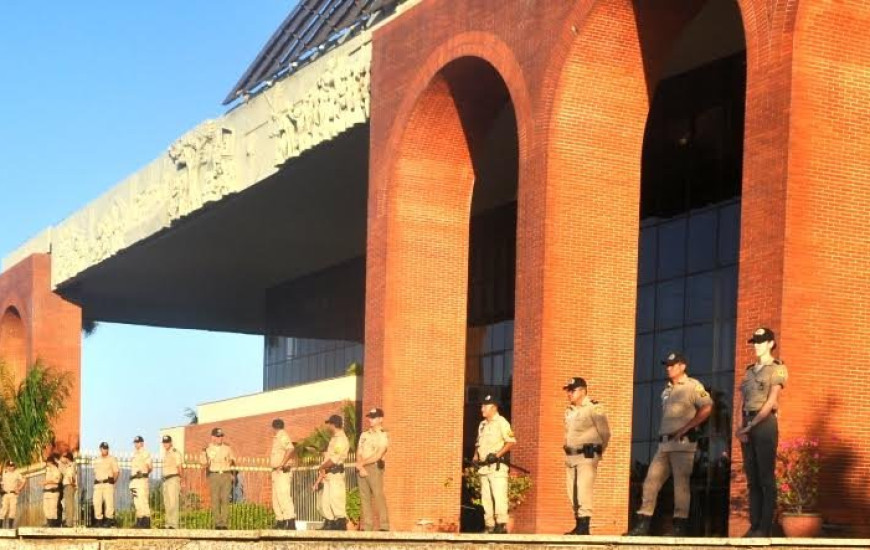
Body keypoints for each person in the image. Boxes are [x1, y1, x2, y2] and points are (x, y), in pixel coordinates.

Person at [627, 352, 713, 536]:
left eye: (673, 365)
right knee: (650, 481)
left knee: (680, 486)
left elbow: (707, 407)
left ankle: (679, 526)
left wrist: (686, 428)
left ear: (683, 367)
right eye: (667, 365)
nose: (669, 368)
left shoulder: (692, 386)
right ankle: (643, 523)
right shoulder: (666, 390)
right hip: (664, 445)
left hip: (682, 444)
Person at [737, 327, 787, 537]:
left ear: (770, 344)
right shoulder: (749, 370)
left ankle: (765, 526)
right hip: (747, 423)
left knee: (766, 477)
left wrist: (752, 424)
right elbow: (741, 401)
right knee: (752, 478)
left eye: (761, 341)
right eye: (755, 342)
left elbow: (771, 401)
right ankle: (754, 524)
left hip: (764, 424)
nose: (756, 345)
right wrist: (739, 428)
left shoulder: (778, 368)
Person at [562, 377, 611, 535]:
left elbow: (605, 433)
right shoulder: (569, 411)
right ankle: (578, 523)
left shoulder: (594, 408)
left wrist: (597, 452)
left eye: (573, 390)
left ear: (583, 391)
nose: (569, 393)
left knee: (583, 490)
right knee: (572, 493)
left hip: (587, 456)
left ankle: (585, 525)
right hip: (571, 456)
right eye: (568, 390)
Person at [473, 394, 516, 534]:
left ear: (494, 407)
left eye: (485, 406)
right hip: (484, 467)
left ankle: (501, 524)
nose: (482, 408)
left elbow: (511, 442)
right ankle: (489, 525)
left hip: (497, 466)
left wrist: (496, 455)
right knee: (486, 498)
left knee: (499, 496)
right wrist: (475, 457)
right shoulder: (482, 424)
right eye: (482, 406)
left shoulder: (502, 422)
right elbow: (478, 443)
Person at [356, 407, 390, 531]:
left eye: (373, 417)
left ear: (381, 419)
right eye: (370, 417)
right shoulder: (364, 434)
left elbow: (379, 454)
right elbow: (359, 450)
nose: (370, 419)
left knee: (378, 495)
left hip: (374, 467)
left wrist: (362, 464)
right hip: (361, 467)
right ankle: (367, 526)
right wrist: (360, 465)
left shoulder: (383, 435)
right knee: (364, 497)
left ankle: (384, 526)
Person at [312, 414, 349, 530]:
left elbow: (334, 459)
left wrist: (321, 466)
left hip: (335, 473)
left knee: (336, 499)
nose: (328, 427)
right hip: (328, 474)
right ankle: (329, 522)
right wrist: (323, 470)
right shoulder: (334, 438)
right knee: (326, 501)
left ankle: (340, 523)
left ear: (333, 424)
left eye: (329, 424)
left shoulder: (341, 439)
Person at [202, 427, 235, 530]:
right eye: (218, 436)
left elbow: (233, 461)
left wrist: (232, 473)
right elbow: (203, 464)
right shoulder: (207, 449)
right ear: (213, 437)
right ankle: (217, 523)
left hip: (226, 474)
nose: (220, 438)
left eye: (221, 436)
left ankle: (224, 523)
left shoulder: (227, 448)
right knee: (215, 500)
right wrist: (205, 458)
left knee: (225, 499)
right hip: (214, 474)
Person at [269, 418, 296, 530]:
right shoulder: (277, 438)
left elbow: (290, 448)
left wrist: (282, 464)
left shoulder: (282, 436)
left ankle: (290, 521)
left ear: (274, 427)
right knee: (276, 498)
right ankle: (280, 520)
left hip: (282, 471)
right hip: (276, 471)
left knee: (284, 496)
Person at [92, 442, 120, 528]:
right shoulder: (96, 459)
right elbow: (95, 472)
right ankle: (98, 520)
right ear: (100, 449)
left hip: (108, 483)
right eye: (103, 448)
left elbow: (116, 472)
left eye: (106, 448)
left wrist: (113, 481)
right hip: (98, 484)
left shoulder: (112, 459)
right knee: (96, 502)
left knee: (109, 502)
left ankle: (109, 520)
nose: (105, 450)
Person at [161, 435, 184, 530]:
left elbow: (180, 467)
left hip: (173, 478)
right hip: (166, 480)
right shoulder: (166, 454)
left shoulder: (175, 452)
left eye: (167, 442)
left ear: (171, 442)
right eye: (164, 442)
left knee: (173, 502)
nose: (165, 444)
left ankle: (173, 524)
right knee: (167, 503)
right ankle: (168, 523)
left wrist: (182, 480)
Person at [130, 436, 152, 528]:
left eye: (138, 442)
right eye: (135, 442)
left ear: (142, 443)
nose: (136, 444)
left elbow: (149, 467)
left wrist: (144, 474)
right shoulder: (134, 454)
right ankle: (139, 520)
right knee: (137, 501)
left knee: (143, 500)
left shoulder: (145, 453)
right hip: (134, 480)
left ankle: (146, 521)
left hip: (141, 479)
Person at [0, 460, 25, 529]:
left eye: (12, 466)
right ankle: (0, 527)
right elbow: (2, 483)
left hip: (13, 494)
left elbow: (23, 480)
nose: (11, 468)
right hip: (5, 494)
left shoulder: (17, 473)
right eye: (10, 466)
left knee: (12, 510)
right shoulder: (4, 472)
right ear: (7, 466)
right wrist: (1, 489)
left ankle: (10, 527)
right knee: (3, 510)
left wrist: (19, 489)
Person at [43, 454, 62, 527]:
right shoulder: (47, 470)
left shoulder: (55, 469)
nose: (47, 464)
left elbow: (57, 480)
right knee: (46, 509)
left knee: (52, 509)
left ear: (50, 462)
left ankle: (52, 524)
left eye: (48, 462)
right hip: (47, 491)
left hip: (53, 491)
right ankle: (48, 523)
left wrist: (48, 482)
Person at [59, 452, 77, 527]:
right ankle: (68, 521)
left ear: (68, 458)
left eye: (65, 457)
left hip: (69, 485)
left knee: (69, 505)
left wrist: (72, 483)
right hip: (67, 485)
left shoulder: (72, 465)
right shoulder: (68, 466)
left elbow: (71, 476)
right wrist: (60, 461)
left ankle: (69, 523)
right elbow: (61, 469)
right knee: (67, 504)